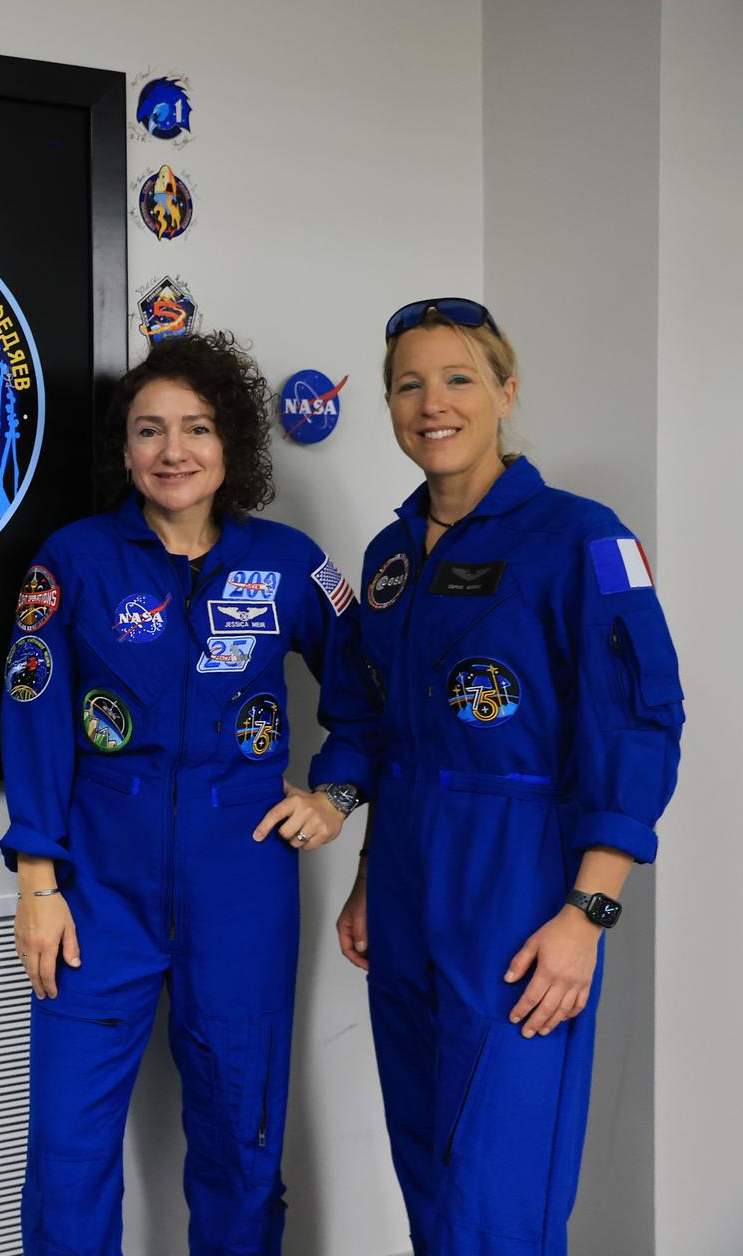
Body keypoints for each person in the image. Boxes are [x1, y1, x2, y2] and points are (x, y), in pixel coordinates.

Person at [1, 331, 377, 1254]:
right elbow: (35, 720)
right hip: (97, 888)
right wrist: (38, 884)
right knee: (67, 1152)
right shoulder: (74, 560)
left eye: (197, 429)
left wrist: (336, 792)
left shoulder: (289, 562)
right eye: (149, 431)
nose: (174, 452)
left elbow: (369, 698)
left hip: (241, 886)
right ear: (123, 449)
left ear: (233, 444)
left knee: (240, 1143)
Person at [333, 299, 684, 1253]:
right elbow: (388, 731)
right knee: (431, 1179)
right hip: (404, 886)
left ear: (505, 392)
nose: (431, 403)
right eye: (409, 384)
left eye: (457, 379)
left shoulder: (581, 537)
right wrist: (369, 876)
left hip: (521, 890)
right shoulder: (389, 558)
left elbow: (641, 724)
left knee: (499, 1195)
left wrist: (588, 916)